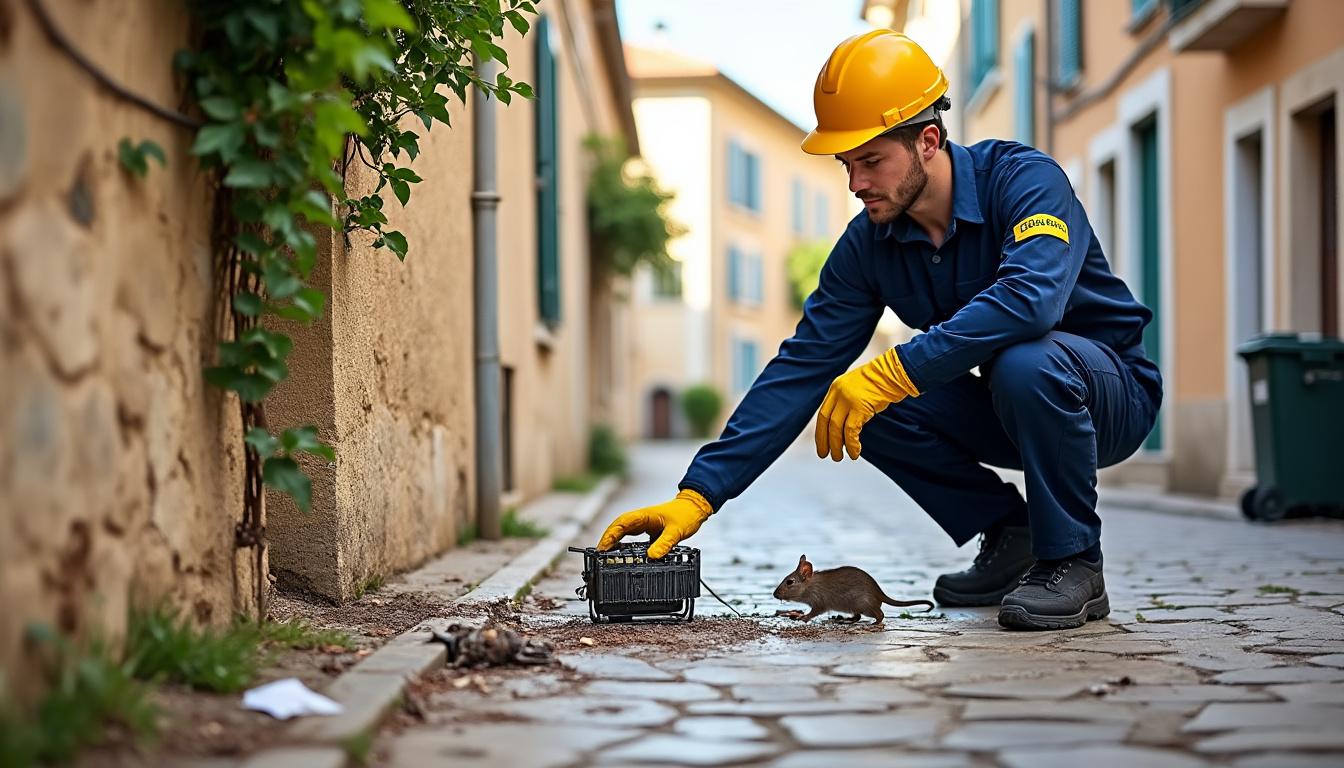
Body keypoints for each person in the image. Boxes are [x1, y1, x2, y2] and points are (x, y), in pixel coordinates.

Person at [596, 30, 1162, 631]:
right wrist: (698, 495)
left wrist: (895, 370)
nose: (855, 183)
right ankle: (1013, 533)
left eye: (870, 160)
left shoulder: (1023, 180)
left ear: (928, 140)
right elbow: (802, 367)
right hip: (1009, 406)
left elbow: (1032, 302)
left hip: (1107, 395)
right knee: (857, 401)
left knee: (1021, 360)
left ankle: (1072, 559)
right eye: (847, 164)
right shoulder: (868, 246)